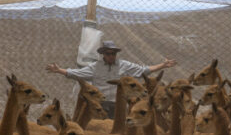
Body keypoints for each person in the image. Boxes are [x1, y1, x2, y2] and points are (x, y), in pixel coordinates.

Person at [46, 40, 176, 117]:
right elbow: (77, 74)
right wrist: (59, 70)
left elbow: (143, 70)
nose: (111, 56)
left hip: (118, 103)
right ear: (103, 54)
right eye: (108, 54)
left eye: (113, 54)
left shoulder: (124, 65)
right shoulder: (95, 67)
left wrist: (163, 65)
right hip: (100, 104)